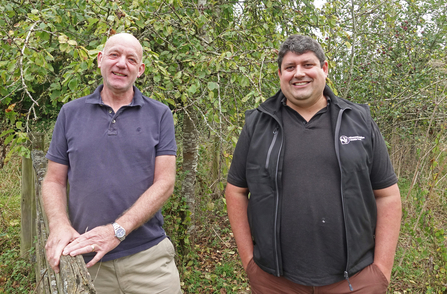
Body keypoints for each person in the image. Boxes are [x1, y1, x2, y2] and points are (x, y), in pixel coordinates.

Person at [225, 35, 401, 294]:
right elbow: (236, 191)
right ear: (280, 73)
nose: (299, 74)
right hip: (275, 281)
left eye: (307, 64)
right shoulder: (257, 124)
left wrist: (381, 270)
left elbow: (387, 195)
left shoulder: (358, 121)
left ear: (324, 69)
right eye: (290, 67)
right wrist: (250, 264)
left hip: (355, 280)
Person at [42, 33, 182, 294]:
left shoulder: (160, 114)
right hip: (88, 260)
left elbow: (165, 182)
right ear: (100, 59)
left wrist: (117, 230)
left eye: (131, 59)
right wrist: (59, 224)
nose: (121, 64)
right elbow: (53, 180)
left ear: (139, 70)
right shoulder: (70, 113)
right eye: (115, 55)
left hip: (148, 258)